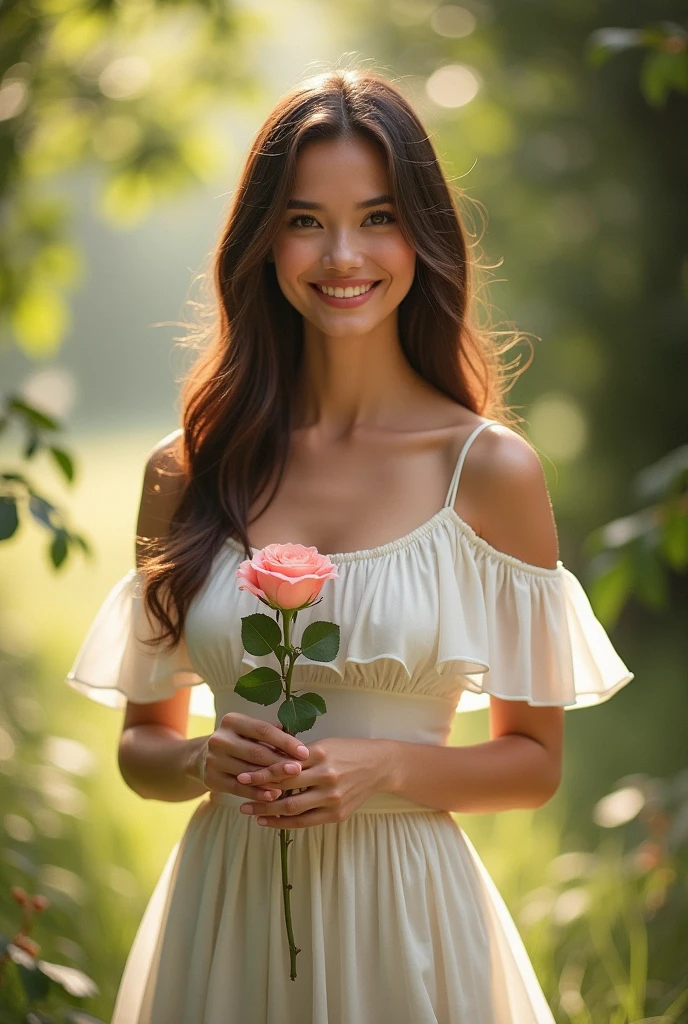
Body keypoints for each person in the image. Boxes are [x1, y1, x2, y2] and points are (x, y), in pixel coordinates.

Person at [65, 66, 634, 1024]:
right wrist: (203, 761)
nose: (341, 254)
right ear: (264, 240)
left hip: (407, 921)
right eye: (303, 220)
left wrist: (384, 768)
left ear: (422, 234)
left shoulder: (488, 471)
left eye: (376, 216)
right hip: (228, 914)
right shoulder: (186, 470)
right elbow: (142, 744)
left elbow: (534, 763)